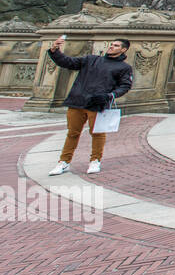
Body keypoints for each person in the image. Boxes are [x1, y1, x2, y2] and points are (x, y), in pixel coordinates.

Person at [45, 35, 135, 176]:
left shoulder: (124, 67)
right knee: (72, 133)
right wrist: (55, 50)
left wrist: (109, 96)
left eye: (116, 45)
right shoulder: (91, 59)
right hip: (78, 101)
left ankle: (95, 160)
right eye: (111, 44)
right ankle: (64, 162)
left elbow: (125, 86)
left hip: (98, 103)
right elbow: (67, 62)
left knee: (97, 134)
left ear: (124, 50)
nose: (112, 46)